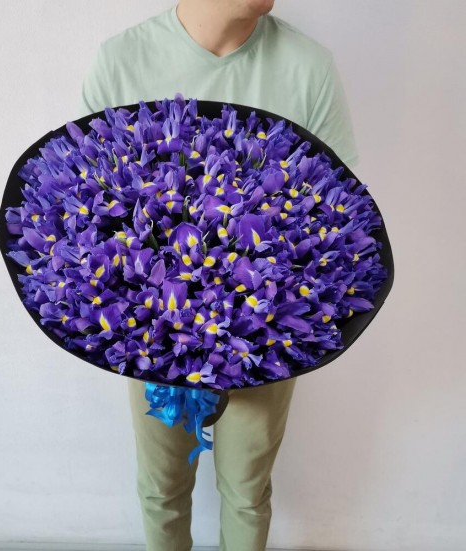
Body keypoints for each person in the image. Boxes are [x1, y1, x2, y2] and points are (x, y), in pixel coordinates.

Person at [77, 1, 360, 550]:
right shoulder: (122, 61)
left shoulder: (308, 67)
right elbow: (88, 206)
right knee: (162, 488)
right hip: (153, 331)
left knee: (247, 491)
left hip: (268, 330)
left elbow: (340, 210)